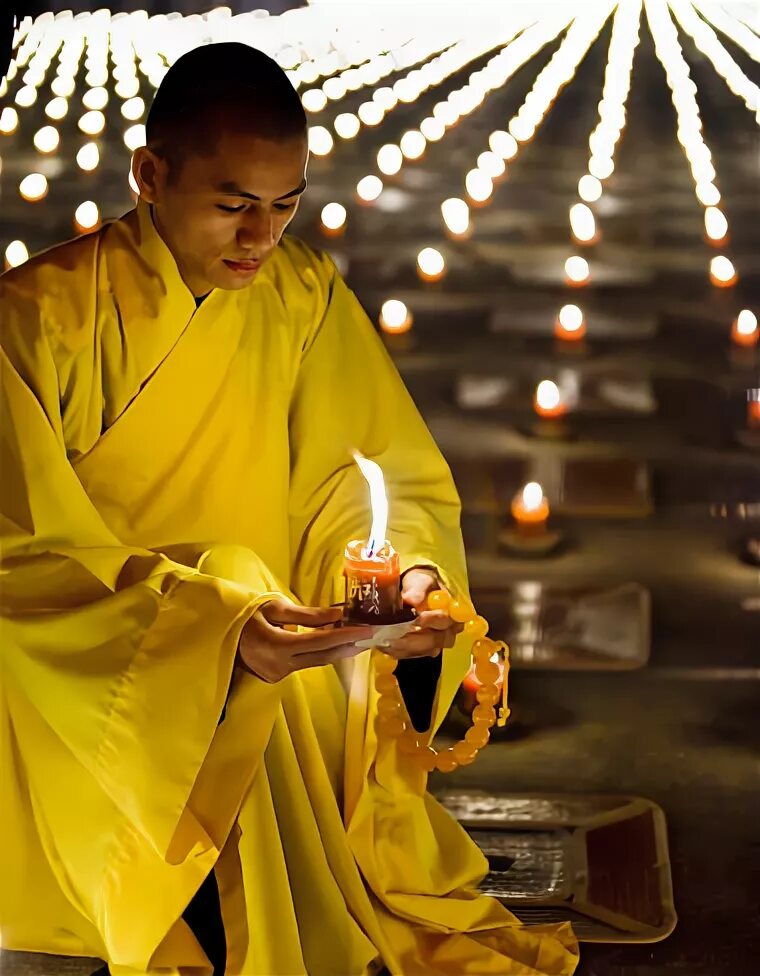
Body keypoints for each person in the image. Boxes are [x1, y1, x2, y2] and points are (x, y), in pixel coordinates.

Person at [0, 42, 578, 976]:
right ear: (150, 175)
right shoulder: (33, 322)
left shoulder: (300, 293)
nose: (261, 236)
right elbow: (19, 554)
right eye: (232, 204)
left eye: (285, 204)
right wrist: (212, 629)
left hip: (294, 637)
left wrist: (411, 572)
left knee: (254, 603)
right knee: (230, 582)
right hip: (96, 684)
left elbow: (363, 473)